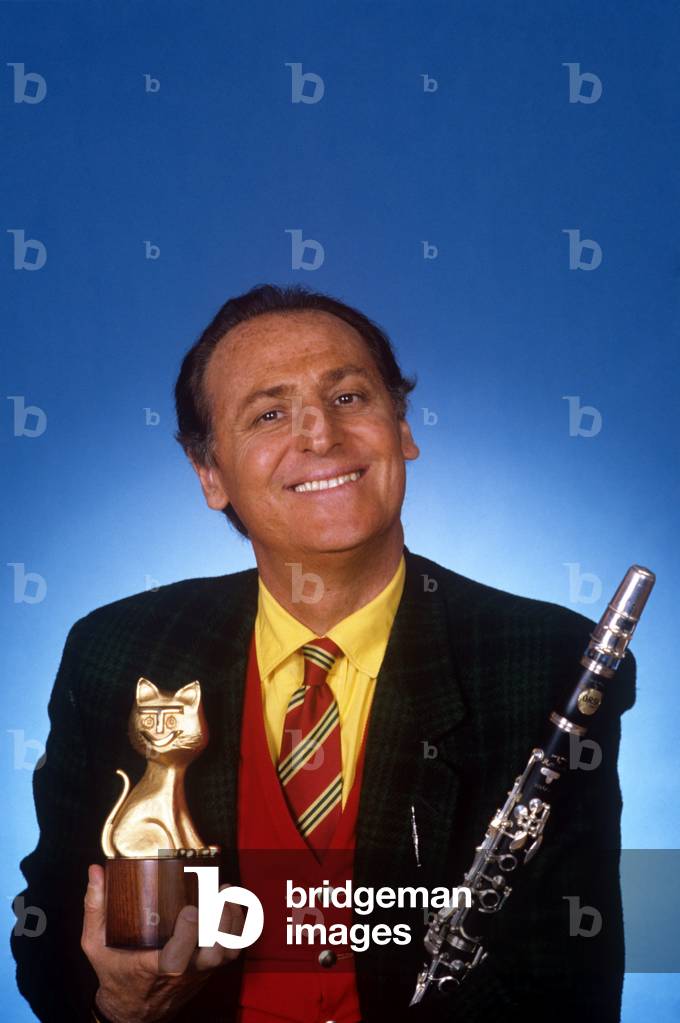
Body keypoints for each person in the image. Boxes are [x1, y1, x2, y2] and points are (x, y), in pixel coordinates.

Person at [11, 284, 635, 1023]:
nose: (321, 436)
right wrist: (117, 1005)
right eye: (269, 414)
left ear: (401, 428)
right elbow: (49, 936)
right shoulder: (116, 650)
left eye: (348, 398)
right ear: (210, 474)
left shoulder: (550, 660)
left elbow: (569, 975)